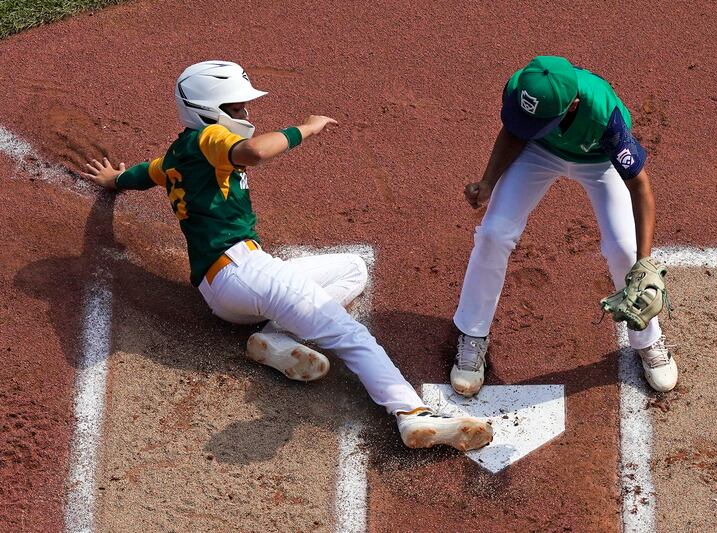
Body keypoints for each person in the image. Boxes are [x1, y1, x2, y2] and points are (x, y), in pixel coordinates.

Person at [80, 60, 492, 451]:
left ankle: (276, 338)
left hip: (222, 291)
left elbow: (143, 174)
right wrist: (306, 129)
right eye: (234, 105)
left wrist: (114, 180)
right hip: (246, 269)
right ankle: (411, 414)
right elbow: (255, 152)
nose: (243, 110)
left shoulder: (176, 157)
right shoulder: (209, 138)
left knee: (352, 269)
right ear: (206, 110)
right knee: (350, 336)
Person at [450, 56, 678, 397]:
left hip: (597, 161)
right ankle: (473, 334)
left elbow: (640, 187)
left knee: (624, 250)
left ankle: (649, 340)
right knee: (494, 232)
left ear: (572, 105)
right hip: (539, 152)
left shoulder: (604, 115)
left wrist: (645, 261)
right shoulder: (523, 86)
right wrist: (488, 181)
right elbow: (515, 131)